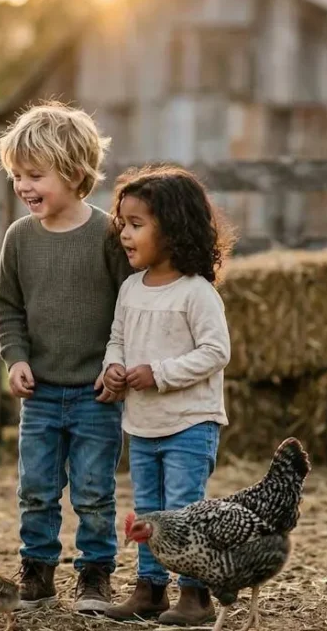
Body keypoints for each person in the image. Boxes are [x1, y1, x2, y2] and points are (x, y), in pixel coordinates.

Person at [0, 100, 133, 614]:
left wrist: (116, 366)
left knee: (94, 492)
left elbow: (129, 307)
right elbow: (8, 307)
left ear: (74, 174)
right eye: (17, 176)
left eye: (35, 175)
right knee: (35, 488)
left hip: (97, 394)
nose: (23, 186)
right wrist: (15, 359)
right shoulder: (19, 239)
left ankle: (95, 574)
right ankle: (37, 571)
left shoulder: (108, 236)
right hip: (42, 395)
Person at [99, 163, 236, 626]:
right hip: (143, 425)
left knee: (184, 511)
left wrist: (158, 374)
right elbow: (117, 339)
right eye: (122, 223)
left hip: (189, 424)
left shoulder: (197, 293)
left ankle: (195, 595)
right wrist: (113, 368)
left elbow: (216, 352)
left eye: (136, 224)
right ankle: (150, 588)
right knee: (149, 512)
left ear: (173, 229)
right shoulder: (130, 289)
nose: (125, 234)